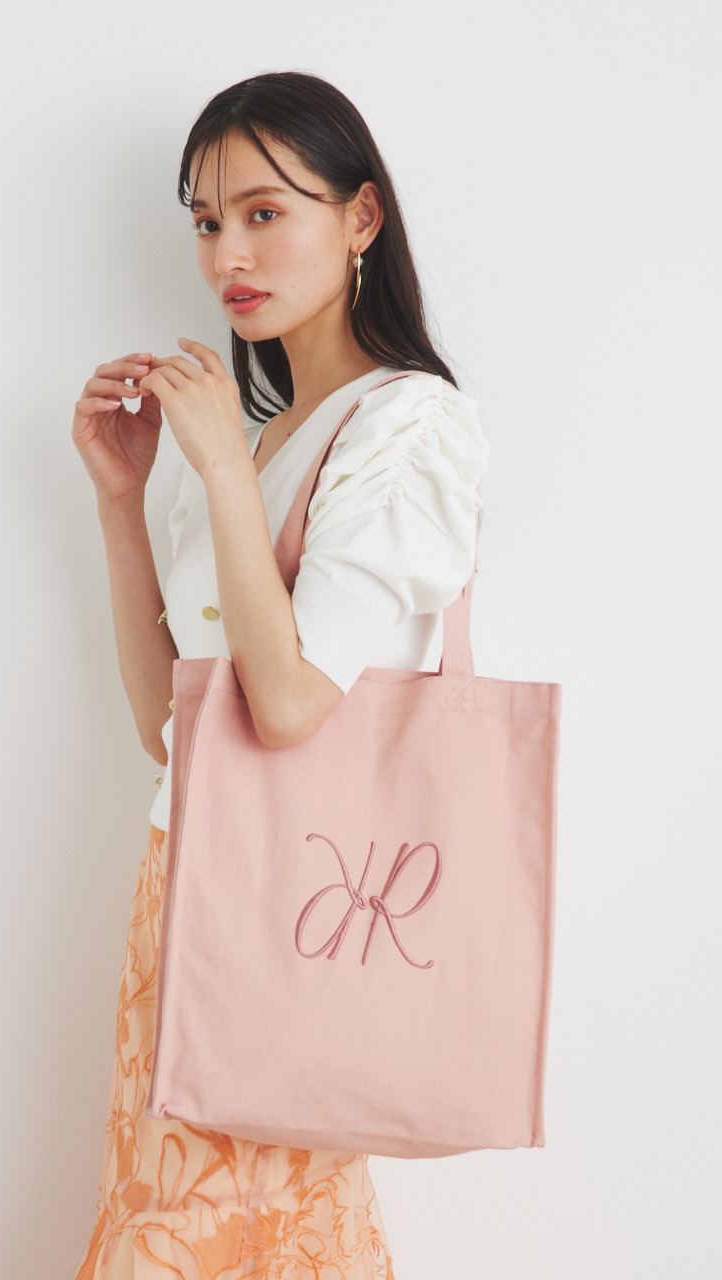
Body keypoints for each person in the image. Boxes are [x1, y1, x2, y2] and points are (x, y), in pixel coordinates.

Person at [71, 71, 489, 1279]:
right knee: (199, 1221)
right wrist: (122, 499)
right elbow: (170, 728)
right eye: (207, 221)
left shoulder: (407, 426)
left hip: (290, 904)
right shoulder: (259, 441)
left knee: (214, 1236)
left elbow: (293, 704)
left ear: (361, 217)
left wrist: (218, 473)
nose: (227, 255)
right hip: (185, 878)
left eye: (264, 212)